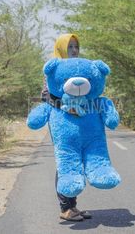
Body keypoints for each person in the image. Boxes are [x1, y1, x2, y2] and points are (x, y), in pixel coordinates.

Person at [41, 34, 92, 221]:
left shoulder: (79, 69)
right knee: (66, 162)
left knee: (77, 162)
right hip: (62, 122)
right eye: (70, 47)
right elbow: (46, 96)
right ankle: (65, 208)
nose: (74, 50)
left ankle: (73, 206)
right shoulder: (54, 69)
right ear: (61, 48)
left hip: (79, 122)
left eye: (76, 46)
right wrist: (67, 107)